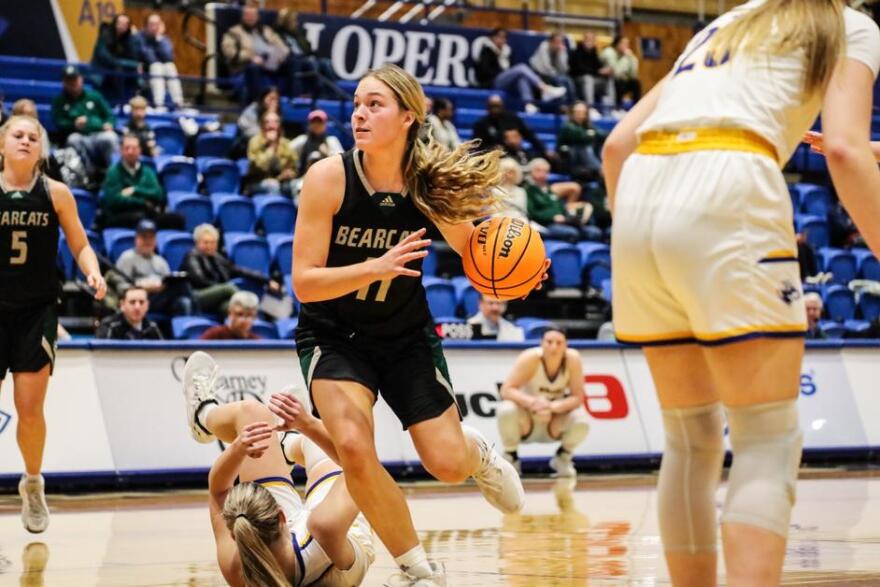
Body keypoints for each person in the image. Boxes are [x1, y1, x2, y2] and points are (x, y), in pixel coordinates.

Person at [602, 2, 880, 585]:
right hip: (729, 180)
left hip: (641, 191)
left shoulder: (727, 21)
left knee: (690, 438)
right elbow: (846, 150)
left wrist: (644, 235)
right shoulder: (848, 24)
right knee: (766, 437)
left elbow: (618, 145)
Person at [292, 64, 545, 585]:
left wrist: (519, 275)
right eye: (357, 104)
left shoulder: (426, 186)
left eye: (375, 104)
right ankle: (418, 571)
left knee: (447, 465)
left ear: (409, 116)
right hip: (334, 336)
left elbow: (478, 253)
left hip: (405, 336)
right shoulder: (328, 178)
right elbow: (304, 283)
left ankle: (476, 454)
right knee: (354, 446)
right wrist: (375, 267)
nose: (359, 114)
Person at [180, 351, 374, 586]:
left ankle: (203, 415)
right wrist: (308, 424)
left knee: (251, 414)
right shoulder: (324, 530)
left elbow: (218, 490)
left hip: (294, 546)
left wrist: (239, 449)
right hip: (336, 540)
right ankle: (291, 442)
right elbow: (361, 465)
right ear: (281, 515)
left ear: (234, 534)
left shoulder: (238, 564)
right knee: (324, 442)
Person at [0, 115, 107, 533]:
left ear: (41, 149)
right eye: (18, 135)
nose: (26, 141)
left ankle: (32, 481)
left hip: (36, 311)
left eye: (33, 137)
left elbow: (80, 244)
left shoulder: (56, 193)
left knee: (29, 410)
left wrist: (92, 271)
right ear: (2, 144)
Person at [498, 327, 589, 476]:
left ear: (566, 345)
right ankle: (511, 456)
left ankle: (563, 457)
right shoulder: (529, 357)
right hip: (527, 420)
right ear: (541, 343)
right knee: (506, 409)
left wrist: (551, 407)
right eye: (549, 342)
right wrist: (533, 403)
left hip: (553, 421)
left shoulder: (573, 359)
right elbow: (506, 390)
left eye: (559, 343)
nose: (554, 347)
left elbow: (578, 398)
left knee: (582, 419)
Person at [183, 223, 281, 315]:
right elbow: (199, 280)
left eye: (213, 243)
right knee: (228, 288)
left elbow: (239, 271)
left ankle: (263, 316)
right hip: (197, 296)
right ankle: (250, 307)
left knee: (233, 309)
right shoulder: (192, 256)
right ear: (197, 243)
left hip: (217, 300)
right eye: (206, 242)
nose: (209, 246)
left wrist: (266, 280)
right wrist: (220, 288)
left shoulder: (217, 258)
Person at [101, 134, 184, 230]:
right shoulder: (113, 172)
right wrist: (143, 202)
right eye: (127, 148)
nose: (130, 152)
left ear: (140, 150)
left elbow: (158, 194)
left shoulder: (147, 171)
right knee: (142, 220)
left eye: (134, 148)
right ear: (121, 150)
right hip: (121, 215)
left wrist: (135, 190)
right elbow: (114, 200)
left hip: (147, 214)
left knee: (177, 219)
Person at [475, 28, 566, 113]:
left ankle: (528, 104)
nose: (501, 40)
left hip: (507, 82)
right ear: (492, 38)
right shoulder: (486, 51)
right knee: (521, 67)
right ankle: (544, 89)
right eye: (499, 37)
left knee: (521, 78)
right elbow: (484, 71)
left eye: (504, 37)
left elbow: (565, 69)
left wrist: (562, 53)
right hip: (493, 81)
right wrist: (504, 73)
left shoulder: (507, 51)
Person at [50, 66, 118, 179]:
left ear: (81, 79)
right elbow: (58, 121)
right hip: (78, 136)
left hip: (98, 134)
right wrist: (73, 124)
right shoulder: (59, 100)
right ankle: (88, 175)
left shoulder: (94, 96)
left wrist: (109, 124)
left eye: (74, 79)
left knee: (110, 137)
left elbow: (110, 116)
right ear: (64, 83)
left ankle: (113, 174)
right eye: (69, 80)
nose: (72, 83)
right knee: (73, 139)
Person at [115, 219, 194, 317]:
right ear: (136, 239)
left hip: (161, 299)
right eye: (144, 237)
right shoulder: (127, 258)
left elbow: (167, 282)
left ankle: (188, 324)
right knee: (182, 287)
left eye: (151, 238)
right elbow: (120, 288)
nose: (147, 241)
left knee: (184, 301)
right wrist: (143, 287)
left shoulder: (160, 261)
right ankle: (198, 315)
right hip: (139, 299)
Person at [221, 1, 293, 104]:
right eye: (247, 15)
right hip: (245, 69)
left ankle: (293, 102)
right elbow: (229, 52)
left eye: (253, 15)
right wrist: (251, 57)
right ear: (243, 17)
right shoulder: (234, 32)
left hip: (270, 67)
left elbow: (284, 48)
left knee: (293, 63)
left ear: (258, 17)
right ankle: (258, 105)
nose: (250, 18)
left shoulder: (267, 31)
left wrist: (280, 57)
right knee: (254, 68)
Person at [274, 8, 338, 98]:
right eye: (293, 20)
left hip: (305, 57)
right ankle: (318, 92)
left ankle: (334, 93)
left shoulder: (298, 34)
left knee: (326, 63)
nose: (296, 23)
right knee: (310, 63)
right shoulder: (278, 34)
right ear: (286, 21)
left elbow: (308, 48)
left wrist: (313, 55)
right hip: (291, 61)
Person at [473, 95, 552, 157]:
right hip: (494, 157)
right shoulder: (481, 124)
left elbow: (530, 135)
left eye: (497, 106)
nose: (495, 109)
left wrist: (544, 149)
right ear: (488, 107)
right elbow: (476, 146)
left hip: (515, 153)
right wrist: (491, 149)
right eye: (492, 106)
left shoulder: (513, 119)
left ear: (502, 106)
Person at [91, 13, 143, 102]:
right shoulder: (105, 34)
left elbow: (134, 56)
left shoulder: (128, 38)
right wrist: (122, 63)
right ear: (115, 23)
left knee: (134, 69)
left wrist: (134, 37)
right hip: (101, 69)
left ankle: (135, 98)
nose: (122, 26)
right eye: (120, 23)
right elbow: (104, 56)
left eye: (125, 24)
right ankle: (120, 102)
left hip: (117, 67)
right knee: (119, 70)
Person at [244, 111, 298, 196]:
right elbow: (259, 166)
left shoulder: (285, 143)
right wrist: (271, 147)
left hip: (281, 181)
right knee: (273, 186)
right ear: (262, 125)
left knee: (297, 185)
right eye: (268, 122)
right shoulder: (255, 142)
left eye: (275, 122)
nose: (271, 125)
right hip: (257, 182)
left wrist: (289, 173)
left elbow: (294, 166)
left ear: (279, 125)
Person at [138, 13, 185, 109]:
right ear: (146, 26)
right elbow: (149, 58)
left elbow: (169, 57)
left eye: (157, 24)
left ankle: (178, 103)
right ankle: (159, 104)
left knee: (170, 66)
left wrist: (159, 38)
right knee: (156, 66)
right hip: (146, 69)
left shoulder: (163, 39)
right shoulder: (140, 38)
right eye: (152, 24)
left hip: (162, 69)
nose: (154, 27)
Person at [95, 285, 163, 340]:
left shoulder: (152, 327)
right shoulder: (109, 326)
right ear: (122, 305)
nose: (137, 307)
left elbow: (163, 352)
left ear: (147, 305)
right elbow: (100, 352)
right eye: (132, 302)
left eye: (141, 302)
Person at [557, 101, 603, 181]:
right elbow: (581, 136)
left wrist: (592, 134)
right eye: (578, 112)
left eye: (582, 112)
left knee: (599, 142)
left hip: (584, 162)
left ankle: (599, 169)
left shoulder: (588, 126)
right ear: (572, 113)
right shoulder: (567, 126)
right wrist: (590, 134)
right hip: (569, 160)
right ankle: (599, 169)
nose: (580, 115)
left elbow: (603, 134)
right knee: (581, 146)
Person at [290, 110, 344, 177]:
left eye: (319, 122)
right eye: (314, 122)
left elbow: (342, 162)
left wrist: (328, 153)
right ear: (309, 124)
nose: (317, 125)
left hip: (327, 177)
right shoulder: (302, 140)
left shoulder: (332, 141)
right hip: (303, 177)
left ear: (325, 125)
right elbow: (287, 152)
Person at [529, 33, 577, 104]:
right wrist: (557, 74)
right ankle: (563, 104)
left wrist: (562, 54)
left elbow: (565, 69)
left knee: (568, 80)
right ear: (550, 42)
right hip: (538, 72)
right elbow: (546, 67)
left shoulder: (560, 50)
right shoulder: (543, 47)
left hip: (553, 73)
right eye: (556, 42)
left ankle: (573, 102)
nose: (559, 45)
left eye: (561, 42)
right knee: (559, 80)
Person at [569, 32, 615, 106]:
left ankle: (611, 106)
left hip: (592, 79)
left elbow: (598, 67)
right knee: (588, 78)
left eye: (592, 40)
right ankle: (590, 106)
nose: (589, 42)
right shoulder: (576, 52)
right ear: (583, 40)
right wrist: (598, 71)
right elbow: (579, 70)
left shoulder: (594, 52)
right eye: (588, 39)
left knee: (608, 79)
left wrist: (606, 70)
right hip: (578, 80)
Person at [600, 36, 641, 106]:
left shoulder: (626, 55)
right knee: (619, 82)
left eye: (627, 44)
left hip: (619, 80)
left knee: (635, 82)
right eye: (624, 43)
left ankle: (637, 106)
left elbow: (633, 74)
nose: (626, 46)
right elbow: (616, 72)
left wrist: (631, 58)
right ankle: (617, 106)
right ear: (617, 44)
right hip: (606, 80)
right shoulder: (609, 52)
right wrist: (626, 58)